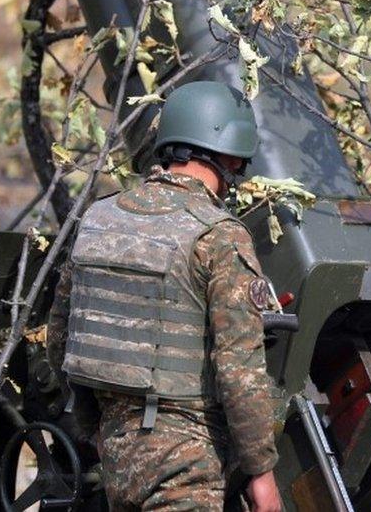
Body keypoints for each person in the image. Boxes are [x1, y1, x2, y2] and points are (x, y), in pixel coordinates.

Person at [46, 81, 282, 511]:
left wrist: (96, 430)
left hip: (117, 452)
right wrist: (261, 473)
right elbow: (239, 370)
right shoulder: (219, 235)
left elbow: (61, 341)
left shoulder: (99, 220)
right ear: (229, 155)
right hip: (187, 459)